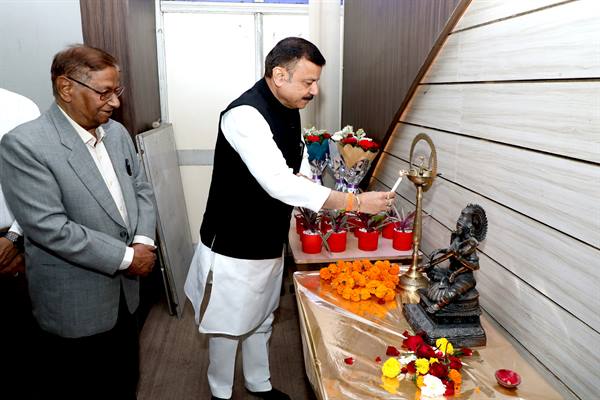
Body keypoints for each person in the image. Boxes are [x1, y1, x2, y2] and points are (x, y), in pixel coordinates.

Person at [184, 37, 395, 400]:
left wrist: (312, 186)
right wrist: (355, 202)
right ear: (280, 75)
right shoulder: (244, 115)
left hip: (268, 236)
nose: (314, 91)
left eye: (316, 82)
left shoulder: (289, 106)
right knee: (228, 324)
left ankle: (258, 382)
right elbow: (278, 182)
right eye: (308, 82)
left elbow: (297, 167)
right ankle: (221, 391)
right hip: (234, 241)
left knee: (262, 315)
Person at [0, 45, 157, 400]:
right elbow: (49, 227)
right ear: (66, 88)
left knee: (125, 381)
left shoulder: (117, 133)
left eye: (116, 90)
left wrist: (143, 241)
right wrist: (128, 258)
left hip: (125, 298)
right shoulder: (26, 145)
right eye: (104, 92)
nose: (115, 102)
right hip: (75, 306)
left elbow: (141, 188)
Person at [0, 88, 40, 398]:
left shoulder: (18, 107)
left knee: (20, 346)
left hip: (12, 242)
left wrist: (14, 239)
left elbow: (38, 187)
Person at [419, 204, 488, 313]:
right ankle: (431, 292)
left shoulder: (471, 243)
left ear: (471, 224)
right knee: (431, 271)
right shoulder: (456, 236)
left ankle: (438, 305)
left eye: (464, 216)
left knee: (454, 291)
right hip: (450, 272)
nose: (460, 219)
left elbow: (475, 266)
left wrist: (459, 262)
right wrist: (439, 252)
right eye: (461, 215)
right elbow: (451, 252)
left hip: (464, 278)